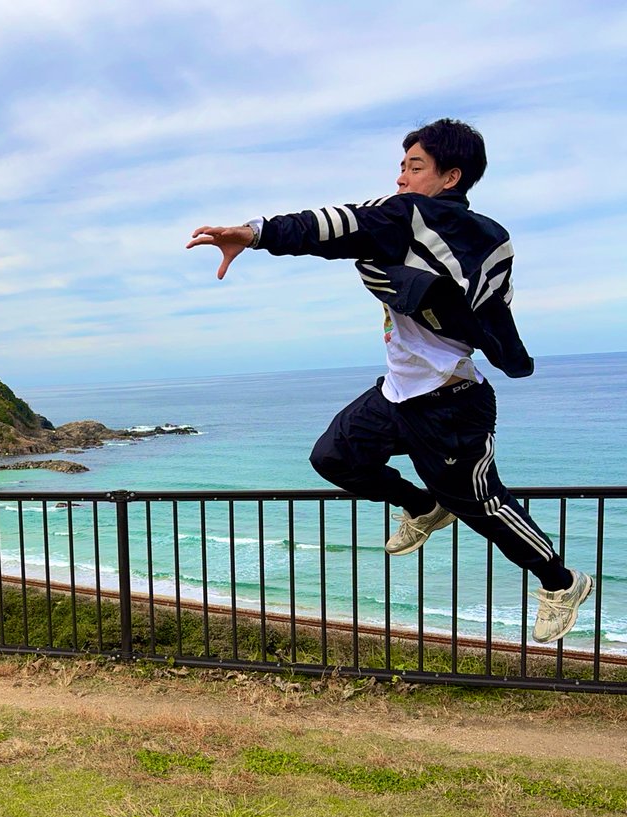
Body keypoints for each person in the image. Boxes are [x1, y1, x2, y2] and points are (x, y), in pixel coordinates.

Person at [186, 118, 591, 644]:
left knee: (484, 507)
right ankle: (424, 506)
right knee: (333, 457)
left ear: (451, 177)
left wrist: (256, 232)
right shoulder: (468, 236)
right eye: (400, 167)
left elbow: (335, 225)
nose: (401, 178)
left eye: (414, 167)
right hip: (396, 394)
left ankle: (563, 583)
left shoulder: (415, 218)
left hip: (450, 405)